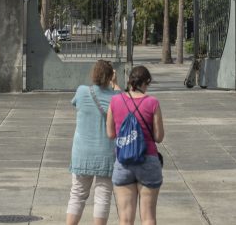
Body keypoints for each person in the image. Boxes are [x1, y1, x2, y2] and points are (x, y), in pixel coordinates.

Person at [107, 66, 164, 225]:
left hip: (124, 161)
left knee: (125, 219)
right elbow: (159, 137)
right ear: (146, 82)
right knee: (148, 217)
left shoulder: (115, 101)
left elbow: (111, 134)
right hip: (148, 160)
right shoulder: (152, 102)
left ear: (130, 81)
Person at [67, 59, 121, 225]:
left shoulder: (82, 91)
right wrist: (116, 84)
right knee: (103, 196)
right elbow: (123, 101)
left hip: (82, 153)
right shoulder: (116, 97)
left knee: (77, 194)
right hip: (106, 153)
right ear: (111, 75)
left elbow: (74, 104)